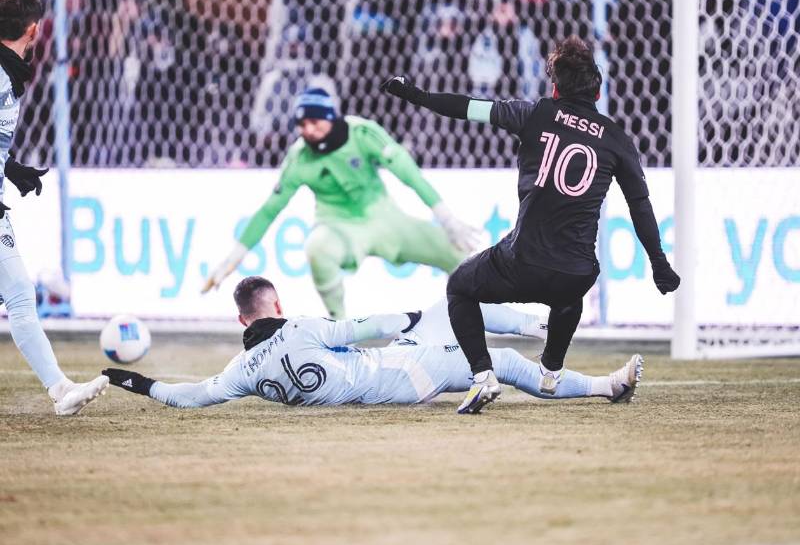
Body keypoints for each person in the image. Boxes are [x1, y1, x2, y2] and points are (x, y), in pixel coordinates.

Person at [381, 35, 679, 414]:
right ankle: (551, 368)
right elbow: (640, 205)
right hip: (574, 273)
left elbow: (470, 107)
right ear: (599, 93)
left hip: (521, 263)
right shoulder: (617, 139)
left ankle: (482, 376)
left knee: (460, 286)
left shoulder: (535, 113)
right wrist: (659, 263)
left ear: (555, 88)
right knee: (574, 290)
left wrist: (418, 95)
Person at [104, 276, 643, 409]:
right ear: (275, 307)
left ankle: (541, 326)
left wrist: (132, 380)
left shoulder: (241, 371)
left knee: (450, 308)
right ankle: (603, 387)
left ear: (241, 319)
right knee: (495, 358)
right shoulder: (301, 327)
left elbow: (189, 396)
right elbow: (361, 328)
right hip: (397, 377)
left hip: (391, 366)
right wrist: (404, 314)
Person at [202, 87, 480, 318]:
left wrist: (447, 219)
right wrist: (231, 260)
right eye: (301, 125)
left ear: (331, 117)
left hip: (387, 220)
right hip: (339, 227)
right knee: (317, 247)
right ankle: (341, 329)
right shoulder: (299, 159)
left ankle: (463, 328)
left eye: (314, 122)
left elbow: (408, 173)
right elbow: (268, 211)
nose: (307, 130)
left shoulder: (361, 133)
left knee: (459, 258)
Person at [0, 0, 108, 415]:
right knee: (22, 298)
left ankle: (61, 390)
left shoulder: (10, 73)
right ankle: (61, 391)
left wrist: (11, 167)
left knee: (20, 296)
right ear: (34, 29)